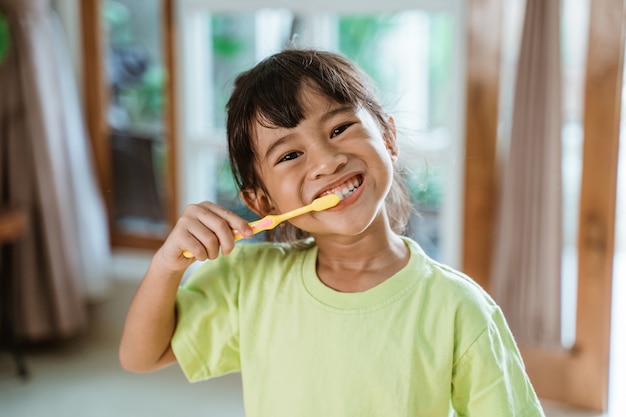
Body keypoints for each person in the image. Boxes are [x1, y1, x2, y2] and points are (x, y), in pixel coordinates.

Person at [119, 48, 546, 417]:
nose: (326, 161)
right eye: (289, 154)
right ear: (262, 203)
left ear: (389, 138)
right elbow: (142, 356)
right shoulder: (247, 281)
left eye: (340, 129)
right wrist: (166, 266)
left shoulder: (458, 308)